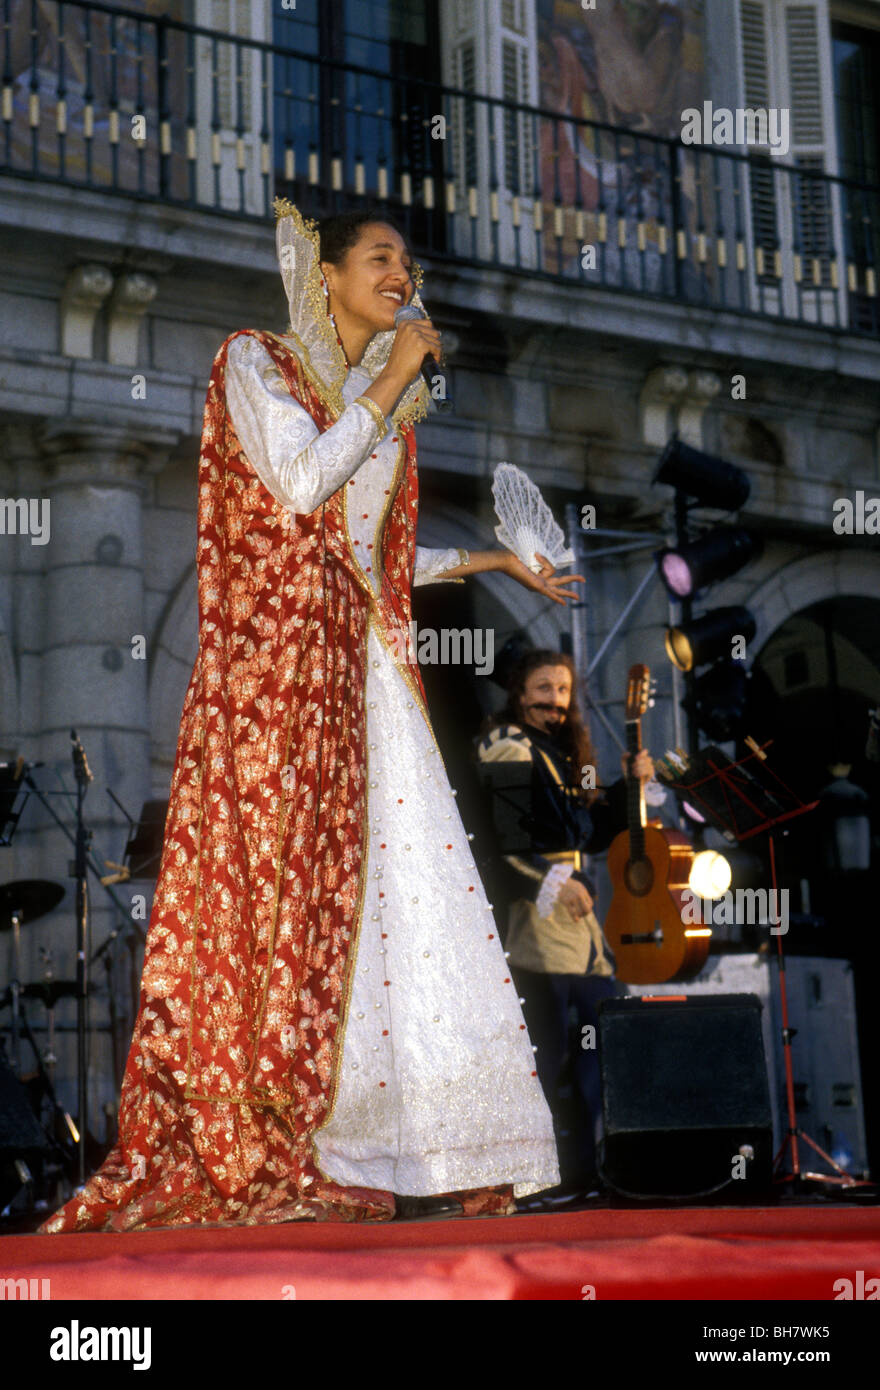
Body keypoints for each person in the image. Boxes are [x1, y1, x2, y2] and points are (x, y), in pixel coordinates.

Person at [39, 203, 589, 1233]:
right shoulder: (257, 363)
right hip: (280, 682)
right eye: (380, 256)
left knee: (406, 902)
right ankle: (273, 1141)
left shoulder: (377, 414)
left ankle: (412, 1143)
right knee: (296, 908)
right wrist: (389, 384)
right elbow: (299, 484)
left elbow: (370, 556)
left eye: (407, 260)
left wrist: (490, 560)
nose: (401, 271)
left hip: (365, 674)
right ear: (324, 272)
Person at [476, 650, 657, 1195]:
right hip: (536, 916)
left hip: (577, 915)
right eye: (543, 687)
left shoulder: (569, 752)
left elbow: (589, 828)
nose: (554, 698)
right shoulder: (507, 747)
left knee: (598, 1040)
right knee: (559, 1050)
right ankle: (554, 1175)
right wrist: (548, 883)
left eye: (562, 689)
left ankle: (592, 1168)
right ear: (518, 691)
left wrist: (628, 786)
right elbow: (500, 840)